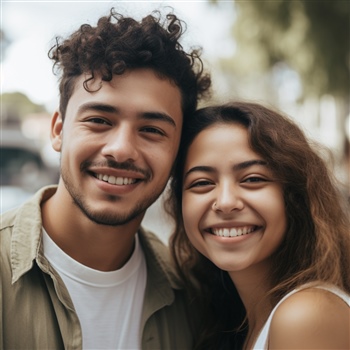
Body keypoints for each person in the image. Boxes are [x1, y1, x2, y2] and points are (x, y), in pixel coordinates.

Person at [0, 8, 211, 349]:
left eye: (152, 130)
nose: (121, 149)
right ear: (58, 130)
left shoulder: (194, 298)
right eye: (99, 120)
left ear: (178, 152)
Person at [167, 102, 350, 349]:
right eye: (201, 183)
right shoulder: (231, 320)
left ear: (294, 196)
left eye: (252, 179)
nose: (225, 202)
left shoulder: (306, 315)